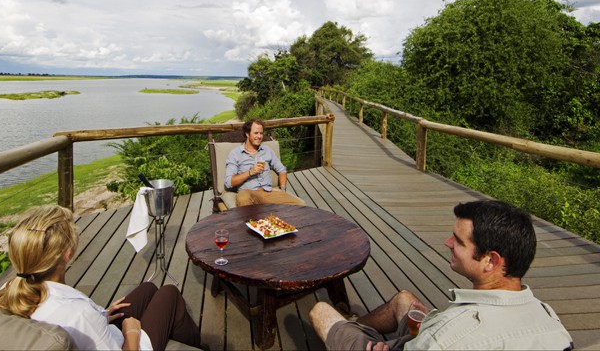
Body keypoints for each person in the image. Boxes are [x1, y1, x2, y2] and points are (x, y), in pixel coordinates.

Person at [309, 199, 574, 351]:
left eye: (458, 241)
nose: (447, 242)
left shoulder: (445, 338)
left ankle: (354, 333)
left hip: (435, 340)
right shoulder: (550, 320)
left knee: (320, 311)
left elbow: (447, 339)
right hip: (432, 335)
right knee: (404, 299)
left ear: (490, 260)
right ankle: (358, 326)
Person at [0, 205, 203, 351]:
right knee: (169, 293)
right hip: (126, 345)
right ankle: (197, 346)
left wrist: (101, 314)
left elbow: (73, 319)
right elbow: (80, 319)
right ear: (68, 253)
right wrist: (131, 333)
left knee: (148, 288)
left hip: (96, 330)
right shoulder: (80, 315)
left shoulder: (10, 289)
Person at [224, 118, 306, 207]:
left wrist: (282, 189)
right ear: (247, 134)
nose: (259, 136)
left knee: (301, 205)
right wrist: (250, 172)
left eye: (261, 133)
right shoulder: (235, 154)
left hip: (267, 192)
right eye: (256, 133)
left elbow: (282, 170)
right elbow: (229, 182)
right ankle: (251, 219)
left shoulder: (267, 150)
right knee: (243, 198)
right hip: (247, 192)